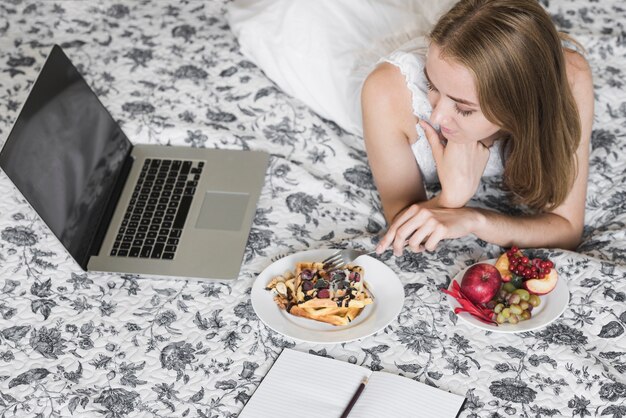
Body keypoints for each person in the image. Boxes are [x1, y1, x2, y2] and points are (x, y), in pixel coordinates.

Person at [362, 0, 594, 256]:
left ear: (520, 108)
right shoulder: (386, 94)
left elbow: (567, 229)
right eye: (431, 85)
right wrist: (450, 199)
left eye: (464, 108)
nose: (436, 118)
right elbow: (403, 228)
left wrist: (475, 219)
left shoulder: (569, 78)